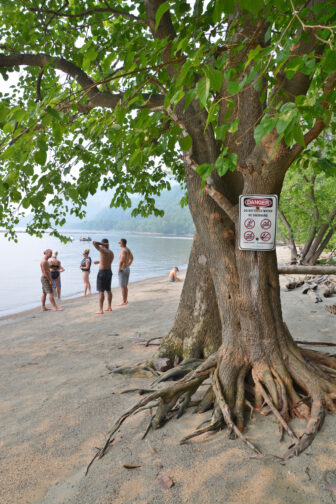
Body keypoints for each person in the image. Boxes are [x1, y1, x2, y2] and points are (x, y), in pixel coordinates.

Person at [92, 238, 114, 314]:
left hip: (102, 272)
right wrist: (100, 262)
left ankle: (101, 310)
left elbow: (94, 243)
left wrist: (102, 244)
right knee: (108, 290)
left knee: (101, 292)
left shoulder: (103, 250)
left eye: (102, 244)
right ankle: (109, 307)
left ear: (103, 244)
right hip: (109, 272)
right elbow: (108, 262)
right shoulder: (111, 252)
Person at [117, 238, 133, 306]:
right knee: (125, 286)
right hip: (127, 268)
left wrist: (119, 268)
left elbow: (122, 260)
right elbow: (131, 258)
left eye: (120, 243)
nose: (119, 244)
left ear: (122, 243)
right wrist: (128, 264)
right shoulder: (127, 249)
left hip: (123, 269)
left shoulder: (123, 250)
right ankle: (125, 300)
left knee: (123, 286)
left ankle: (124, 301)